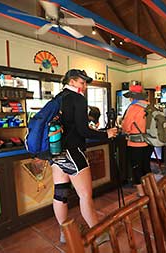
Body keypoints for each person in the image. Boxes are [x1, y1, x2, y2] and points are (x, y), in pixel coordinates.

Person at [51, 69, 117, 243]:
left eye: (86, 82)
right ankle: (98, 234)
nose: (85, 86)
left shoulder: (58, 98)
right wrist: (106, 134)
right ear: (71, 81)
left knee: (60, 194)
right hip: (74, 152)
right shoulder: (78, 98)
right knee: (85, 195)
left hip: (56, 152)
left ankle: (64, 233)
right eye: (82, 82)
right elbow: (83, 130)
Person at [121, 85, 153, 196]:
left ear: (132, 97)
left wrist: (123, 126)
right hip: (150, 142)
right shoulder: (150, 106)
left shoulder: (133, 108)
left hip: (136, 143)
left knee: (136, 168)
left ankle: (142, 194)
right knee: (146, 166)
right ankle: (151, 190)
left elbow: (126, 127)